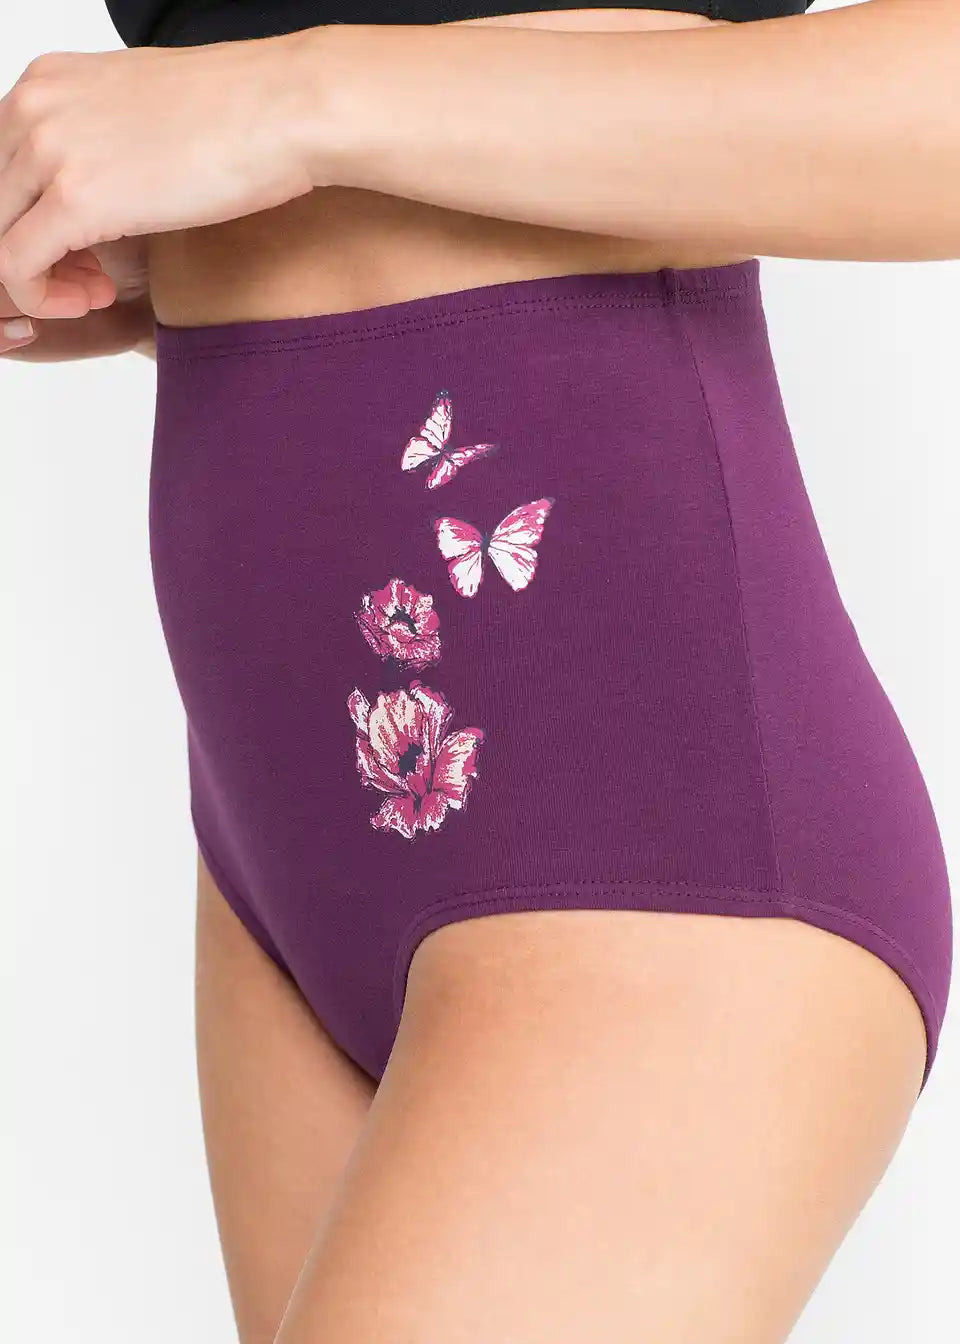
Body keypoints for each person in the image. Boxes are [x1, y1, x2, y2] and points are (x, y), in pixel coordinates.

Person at [1, 4, 954, 1341]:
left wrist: (291, 103)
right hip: (275, 822)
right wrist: (169, 239)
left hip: (640, 810)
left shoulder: (302, 94)